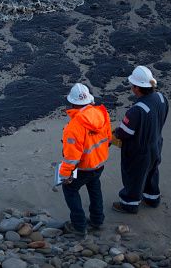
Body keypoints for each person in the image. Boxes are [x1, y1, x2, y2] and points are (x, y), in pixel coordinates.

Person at [112, 65, 169, 214]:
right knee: (152, 171)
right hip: (156, 144)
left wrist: (112, 135)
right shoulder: (162, 98)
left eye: (132, 85)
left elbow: (124, 133)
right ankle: (152, 198)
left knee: (134, 177)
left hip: (139, 151)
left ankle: (129, 204)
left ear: (137, 88)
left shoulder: (136, 111)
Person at [58, 83, 113, 235]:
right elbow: (108, 139)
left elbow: (71, 157)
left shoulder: (73, 127)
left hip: (82, 168)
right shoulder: (102, 113)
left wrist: (64, 175)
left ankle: (79, 226)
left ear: (72, 103)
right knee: (95, 188)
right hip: (99, 164)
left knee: (70, 189)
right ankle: (97, 220)